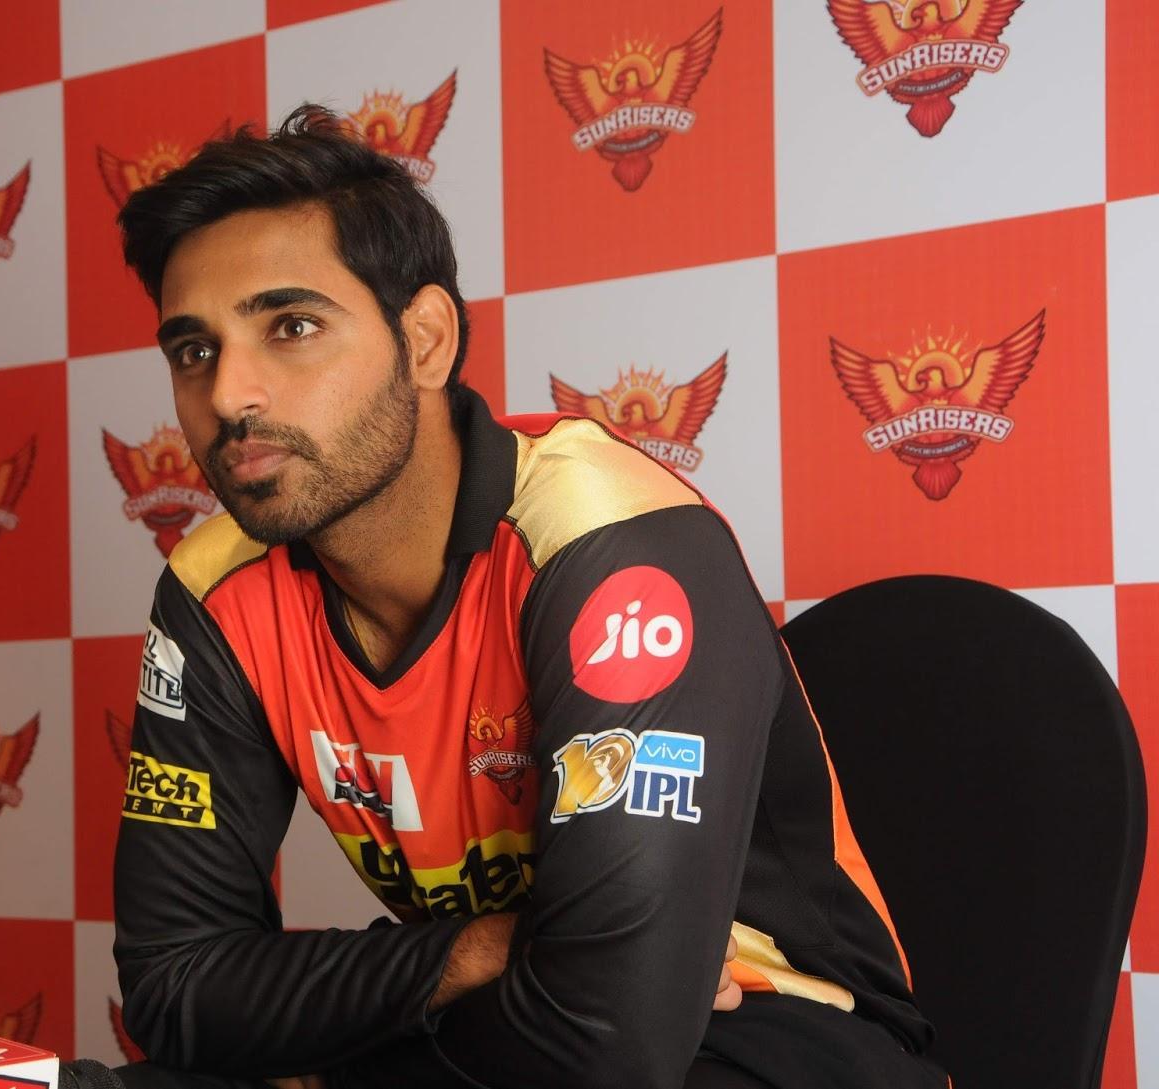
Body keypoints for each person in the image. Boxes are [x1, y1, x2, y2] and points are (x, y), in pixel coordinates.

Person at [107, 105, 946, 1089]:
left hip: (773, 1032)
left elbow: (614, 1038)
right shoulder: (214, 590)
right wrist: (473, 950)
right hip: (497, 1029)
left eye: (291, 327)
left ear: (425, 340)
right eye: (193, 350)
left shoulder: (612, 542)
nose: (229, 394)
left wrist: (334, 1057)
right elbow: (172, 986)